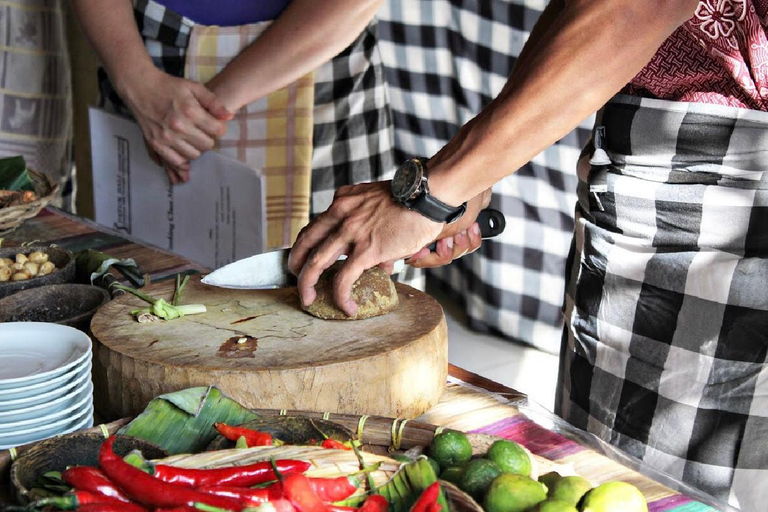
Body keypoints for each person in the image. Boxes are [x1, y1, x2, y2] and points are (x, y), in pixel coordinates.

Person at [290, 0, 768, 508]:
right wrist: (471, 177)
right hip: (670, 144)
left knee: (639, 488)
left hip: (712, 168)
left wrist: (434, 192)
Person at [71, 0, 407, 254]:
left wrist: (206, 112)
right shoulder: (142, 85)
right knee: (144, 303)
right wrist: (136, 80)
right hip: (145, 71)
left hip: (318, 68)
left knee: (336, 304)